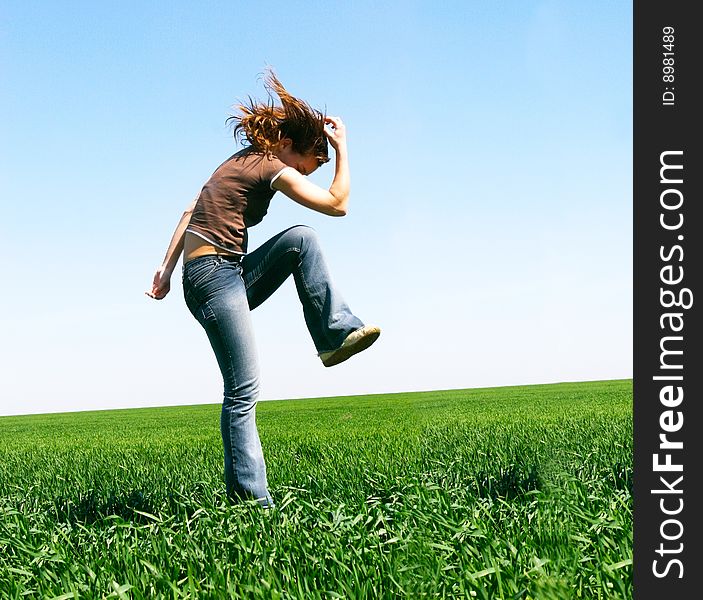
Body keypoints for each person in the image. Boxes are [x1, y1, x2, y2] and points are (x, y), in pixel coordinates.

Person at [146, 70, 380, 508]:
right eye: (310, 165)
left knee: (300, 239)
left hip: (223, 273)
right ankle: (252, 508)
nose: (303, 174)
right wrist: (345, 147)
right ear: (291, 147)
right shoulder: (272, 165)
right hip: (213, 277)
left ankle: (334, 335)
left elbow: (190, 208)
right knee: (243, 391)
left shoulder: (239, 161)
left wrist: (164, 269)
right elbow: (338, 204)